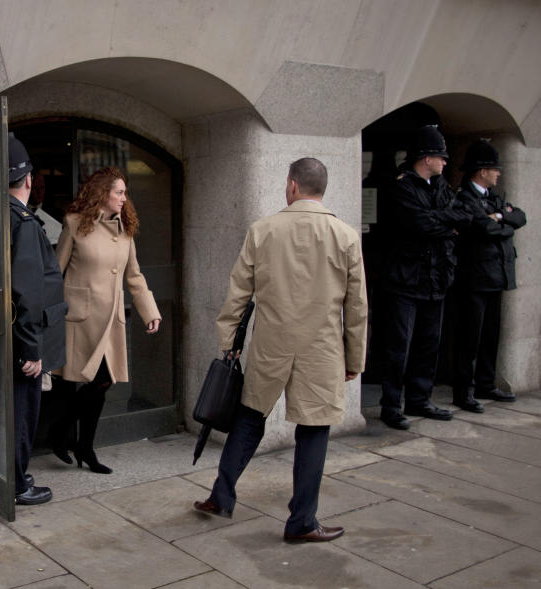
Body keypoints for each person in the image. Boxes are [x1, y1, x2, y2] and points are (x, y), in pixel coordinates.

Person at [193, 158, 368, 543]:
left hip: (271, 344)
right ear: (322, 189)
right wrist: (355, 358)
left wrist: (229, 341)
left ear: (292, 186)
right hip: (321, 349)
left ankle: (221, 497)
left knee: (249, 417)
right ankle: (302, 521)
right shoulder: (346, 236)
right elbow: (356, 308)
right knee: (314, 430)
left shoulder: (264, 230)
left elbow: (238, 290)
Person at [48, 167, 161, 474]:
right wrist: (47, 318)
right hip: (80, 320)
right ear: (102, 193)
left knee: (103, 382)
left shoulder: (125, 231)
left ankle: (77, 443)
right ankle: (71, 439)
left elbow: (134, 276)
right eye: (119, 192)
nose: (124, 198)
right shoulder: (74, 225)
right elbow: (55, 273)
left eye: (125, 193)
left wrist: (149, 311)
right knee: (92, 383)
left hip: (111, 322)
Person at [376, 126, 472, 430]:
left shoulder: (440, 186)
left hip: (436, 278)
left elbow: (465, 215)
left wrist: (442, 222)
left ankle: (419, 398)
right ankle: (391, 405)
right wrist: (446, 224)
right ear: (426, 157)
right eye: (441, 158)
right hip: (405, 279)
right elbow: (419, 224)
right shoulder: (401, 186)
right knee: (398, 347)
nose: (445, 163)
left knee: (429, 343)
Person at [7, 133, 67, 506]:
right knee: (24, 412)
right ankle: (17, 483)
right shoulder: (25, 222)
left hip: (15, 335)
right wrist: (32, 348)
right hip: (26, 340)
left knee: (20, 410)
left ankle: (15, 473)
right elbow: (26, 291)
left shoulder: (9, 216)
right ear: (28, 180)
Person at [452, 140, 526, 411]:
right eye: (495, 169)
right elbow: (483, 229)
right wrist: (498, 221)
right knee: (470, 337)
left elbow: (519, 217)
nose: (499, 173)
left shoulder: (493, 198)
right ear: (481, 171)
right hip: (475, 277)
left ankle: (485, 383)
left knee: (491, 334)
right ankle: (464, 390)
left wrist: (500, 218)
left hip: (497, 276)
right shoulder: (465, 197)